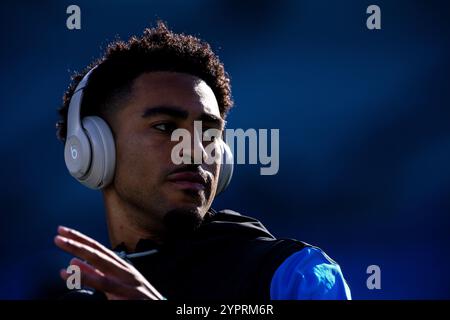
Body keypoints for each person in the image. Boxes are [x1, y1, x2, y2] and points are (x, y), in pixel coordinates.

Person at [55, 22, 351, 300]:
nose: (196, 150)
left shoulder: (293, 275)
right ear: (95, 147)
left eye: (209, 134)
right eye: (165, 127)